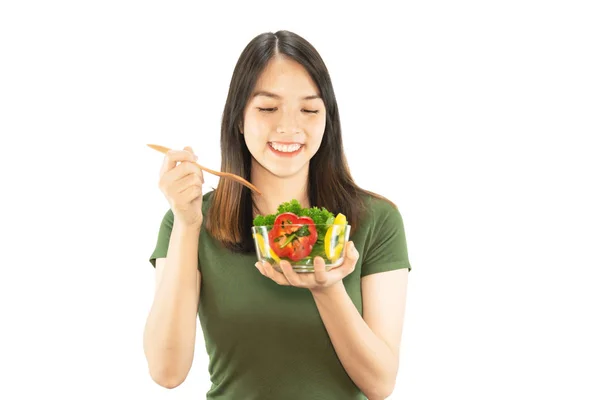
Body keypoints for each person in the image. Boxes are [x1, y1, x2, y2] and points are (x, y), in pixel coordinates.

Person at [144, 30, 412, 400]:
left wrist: (327, 289)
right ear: (239, 119)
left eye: (309, 109)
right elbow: (166, 372)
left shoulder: (376, 221)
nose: (289, 127)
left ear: (327, 121)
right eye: (268, 108)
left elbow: (380, 384)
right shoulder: (186, 221)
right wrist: (188, 225)